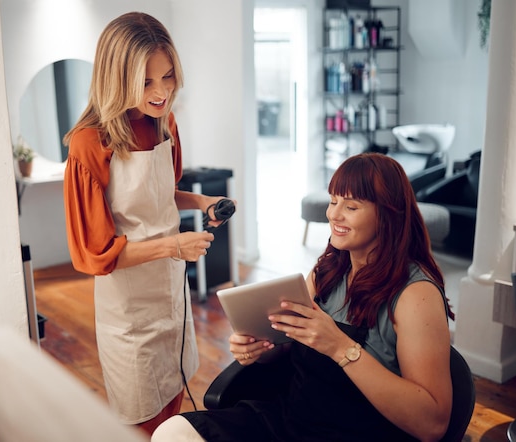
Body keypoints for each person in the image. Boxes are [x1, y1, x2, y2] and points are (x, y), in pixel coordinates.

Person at [152, 152, 455, 442]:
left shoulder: (417, 296)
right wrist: (260, 348)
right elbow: (289, 347)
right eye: (334, 200)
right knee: (172, 432)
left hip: (357, 432)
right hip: (290, 421)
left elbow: (431, 425)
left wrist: (340, 347)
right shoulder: (329, 270)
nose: (333, 214)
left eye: (351, 206)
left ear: (388, 214)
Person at [62, 11, 232, 436]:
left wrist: (201, 201)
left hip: (171, 294)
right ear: (116, 78)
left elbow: (161, 193)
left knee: (175, 398)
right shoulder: (88, 145)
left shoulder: (165, 122)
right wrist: (173, 246)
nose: (162, 92)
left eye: (168, 76)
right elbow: (96, 255)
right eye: (146, 82)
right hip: (130, 309)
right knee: (141, 419)